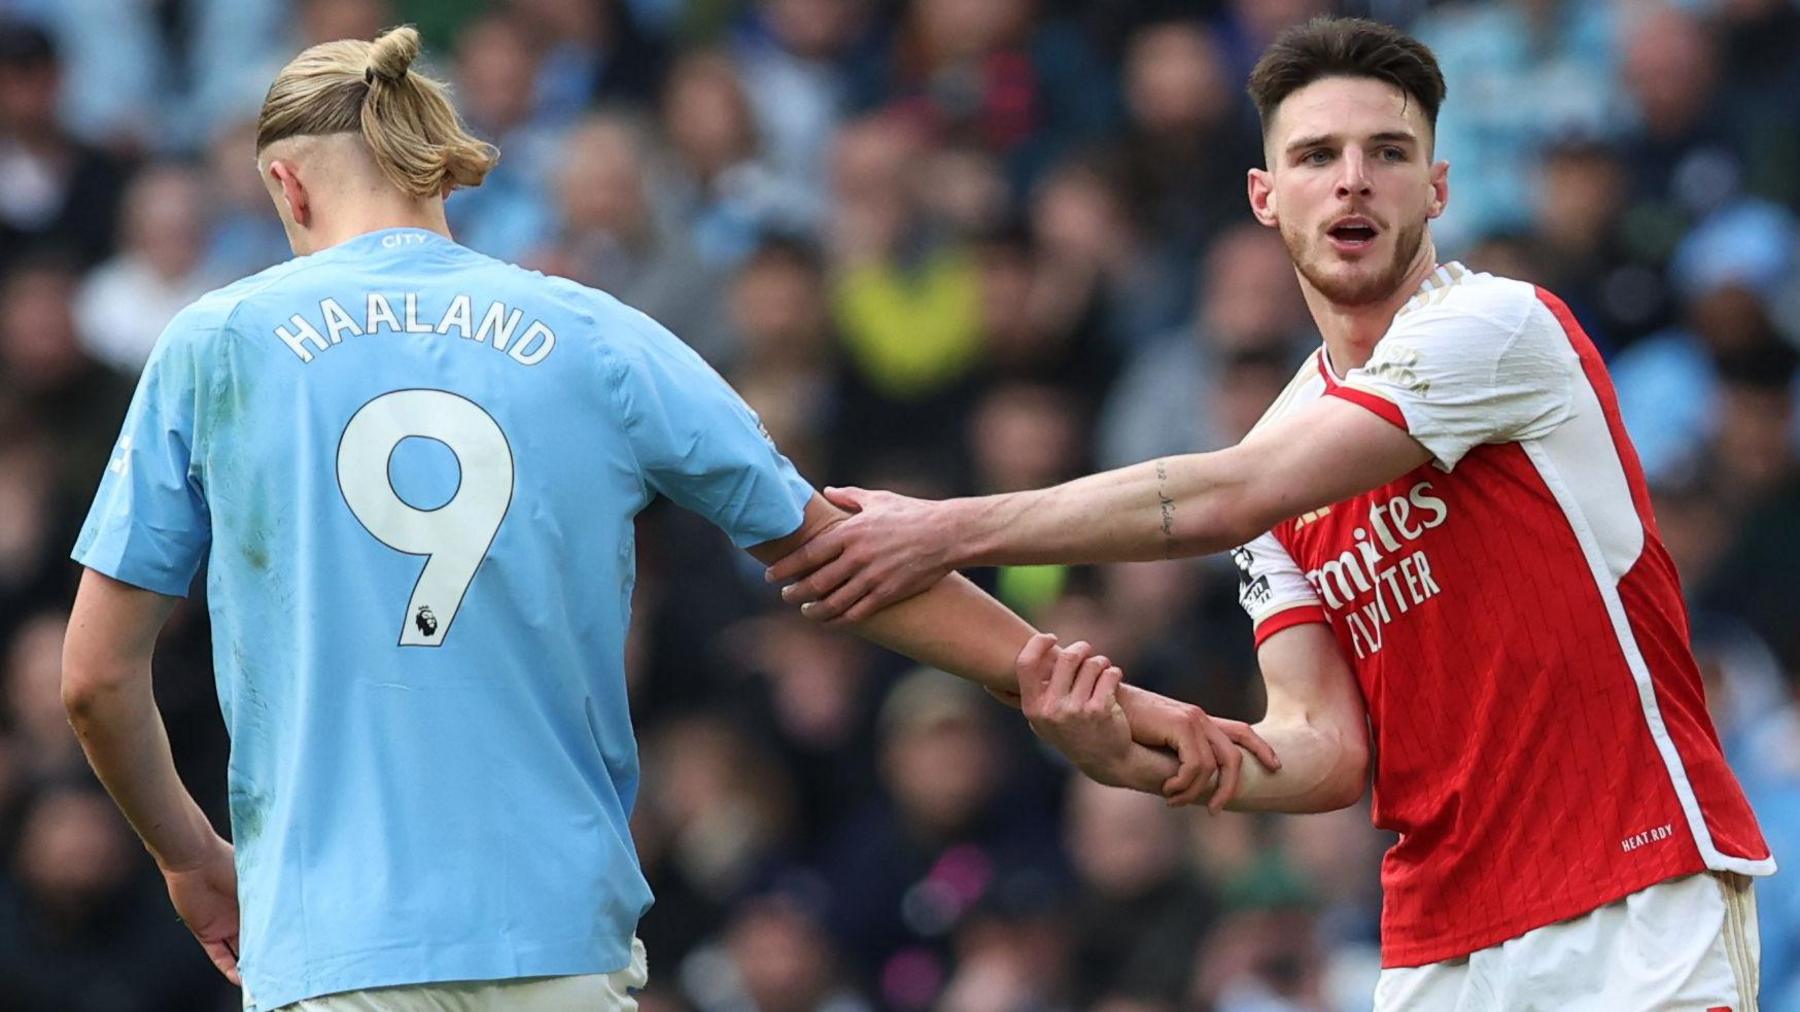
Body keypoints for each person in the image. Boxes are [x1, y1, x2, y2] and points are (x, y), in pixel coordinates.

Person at [57, 27, 1265, 1012]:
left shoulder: (214, 345)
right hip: (556, 936)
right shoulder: (597, 334)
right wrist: (1092, 686)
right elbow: (851, 561)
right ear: (436, 170)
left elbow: (97, 681)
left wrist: (193, 859)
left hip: (332, 943)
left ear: (282, 181)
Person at [768, 15, 1773, 1010]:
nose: (1353, 179)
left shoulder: (1498, 328)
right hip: (1440, 945)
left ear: (1438, 187)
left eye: (1388, 152)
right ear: (1265, 194)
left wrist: (946, 529)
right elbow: (1324, 749)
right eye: (1316, 154)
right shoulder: (1278, 453)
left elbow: (1225, 496)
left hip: (1634, 894)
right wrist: (1143, 758)